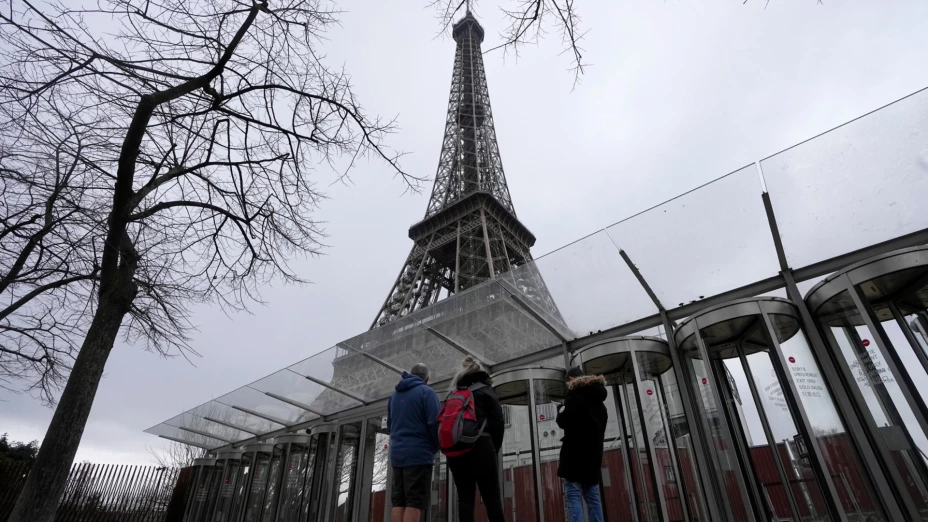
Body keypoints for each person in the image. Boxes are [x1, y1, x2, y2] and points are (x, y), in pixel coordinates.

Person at [446, 357, 506, 522]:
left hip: (455, 450)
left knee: (465, 499)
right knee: (492, 499)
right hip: (482, 447)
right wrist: (494, 449)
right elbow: (498, 423)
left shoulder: (453, 393)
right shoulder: (486, 391)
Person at [387, 363, 442, 522]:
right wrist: (436, 446)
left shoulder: (394, 396)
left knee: (398, 501)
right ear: (427, 378)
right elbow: (434, 423)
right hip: (419, 455)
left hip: (397, 456)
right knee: (414, 502)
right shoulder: (427, 392)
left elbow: (390, 426)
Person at [556, 366, 608, 522]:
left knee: (573, 494)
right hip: (593, 457)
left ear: (571, 379)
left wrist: (560, 409)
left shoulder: (574, 397)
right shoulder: (600, 403)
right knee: (592, 496)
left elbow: (563, 421)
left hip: (574, 456)